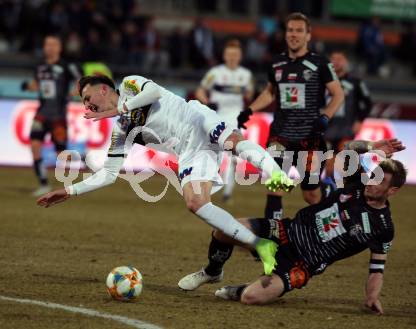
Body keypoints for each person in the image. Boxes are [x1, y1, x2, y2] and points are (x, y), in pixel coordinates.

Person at [36, 75, 296, 275]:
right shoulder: (122, 129)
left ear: (103, 89)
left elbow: (154, 91)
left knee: (230, 141)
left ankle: (275, 173)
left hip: (196, 119)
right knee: (196, 203)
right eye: (83, 101)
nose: (86, 104)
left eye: (86, 96)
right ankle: (260, 245)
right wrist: (70, 191)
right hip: (190, 152)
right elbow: (109, 173)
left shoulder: (129, 84)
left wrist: (119, 109)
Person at [178, 138, 406, 315]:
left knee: (251, 298)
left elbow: (377, 268)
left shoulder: (383, 227)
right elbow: (348, 150)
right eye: (373, 176)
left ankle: (243, 288)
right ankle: (213, 271)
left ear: (392, 191)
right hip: (285, 231)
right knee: (224, 229)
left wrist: (372, 297)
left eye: (380, 181)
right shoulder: (356, 184)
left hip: (302, 263)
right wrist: (372, 146)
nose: (372, 182)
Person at [237, 12, 345, 220]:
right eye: (290, 30)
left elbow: (338, 94)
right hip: (280, 136)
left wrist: (326, 117)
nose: (294, 34)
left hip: (310, 138)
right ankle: (272, 239)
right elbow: (270, 92)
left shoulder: (321, 63)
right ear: (285, 34)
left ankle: (329, 198)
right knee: (275, 185)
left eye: (299, 31)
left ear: (308, 35)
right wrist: (249, 110)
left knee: (311, 194)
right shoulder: (276, 63)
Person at [22, 34, 82, 196]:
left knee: (61, 155)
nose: (49, 47)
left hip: (58, 116)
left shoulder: (66, 66)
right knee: (35, 146)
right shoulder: (39, 67)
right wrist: (28, 86)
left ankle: (81, 161)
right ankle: (43, 183)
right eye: (47, 44)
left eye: (53, 44)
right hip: (41, 114)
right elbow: (36, 85)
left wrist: (72, 93)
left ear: (59, 48)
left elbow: (82, 81)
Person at [195, 39, 254, 202]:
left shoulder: (246, 75)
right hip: (217, 117)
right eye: (229, 54)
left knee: (234, 156)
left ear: (240, 56)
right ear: (224, 56)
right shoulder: (215, 73)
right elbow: (200, 90)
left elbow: (249, 94)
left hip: (235, 119)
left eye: (235, 54)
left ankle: (227, 193)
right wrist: (207, 102)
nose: (232, 57)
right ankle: (206, 187)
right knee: (212, 153)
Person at [324, 51, 372, 183]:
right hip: (327, 129)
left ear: (345, 62)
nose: (336, 62)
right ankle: (330, 192)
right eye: (333, 59)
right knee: (329, 164)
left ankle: (351, 187)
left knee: (343, 160)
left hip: (345, 128)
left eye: (340, 59)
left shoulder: (355, 82)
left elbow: (367, 102)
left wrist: (360, 120)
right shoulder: (322, 81)